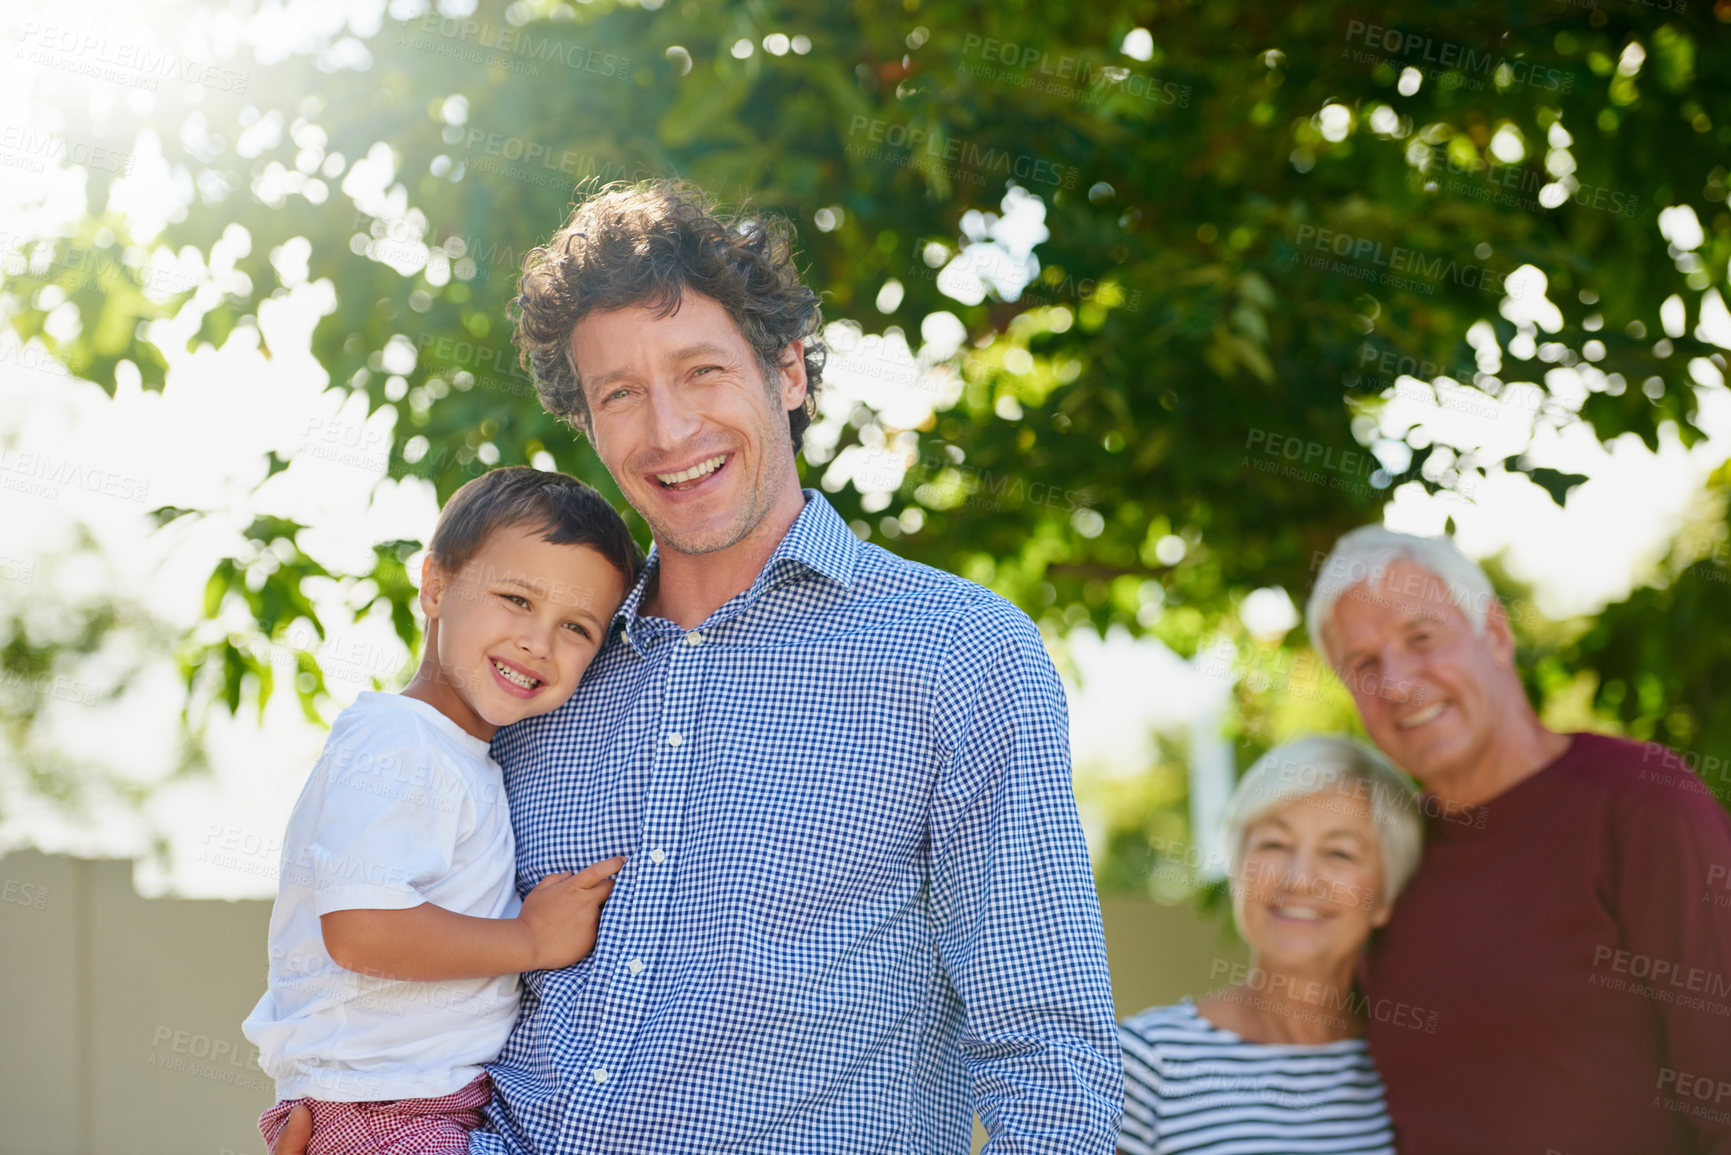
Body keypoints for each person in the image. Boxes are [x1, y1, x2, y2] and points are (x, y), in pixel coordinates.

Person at [273, 179, 1122, 1155]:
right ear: (587, 426)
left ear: (789, 372)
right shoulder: (537, 677)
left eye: (702, 371)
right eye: (620, 395)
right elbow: (386, 919)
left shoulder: (956, 654)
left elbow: (1047, 1047)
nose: (668, 431)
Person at [244, 466, 641, 1152]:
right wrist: (532, 940)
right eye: (516, 598)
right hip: (375, 1107)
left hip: (406, 1103)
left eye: (576, 626)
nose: (537, 641)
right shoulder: (400, 743)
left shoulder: (460, 754)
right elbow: (361, 928)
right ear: (435, 585)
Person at [1308, 525, 1731, 1155]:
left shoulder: (1641, 802)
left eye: (1422, 638)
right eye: (1363, 665)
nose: (1396, 682)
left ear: (1496, 634)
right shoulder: (1382, 858)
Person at [1118, 735, 1421, 1155]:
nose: (1298, 879)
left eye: (1339, 853)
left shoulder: (1418, 1065)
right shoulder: (1145, 1061)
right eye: (1274, 845)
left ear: (1386, 895)